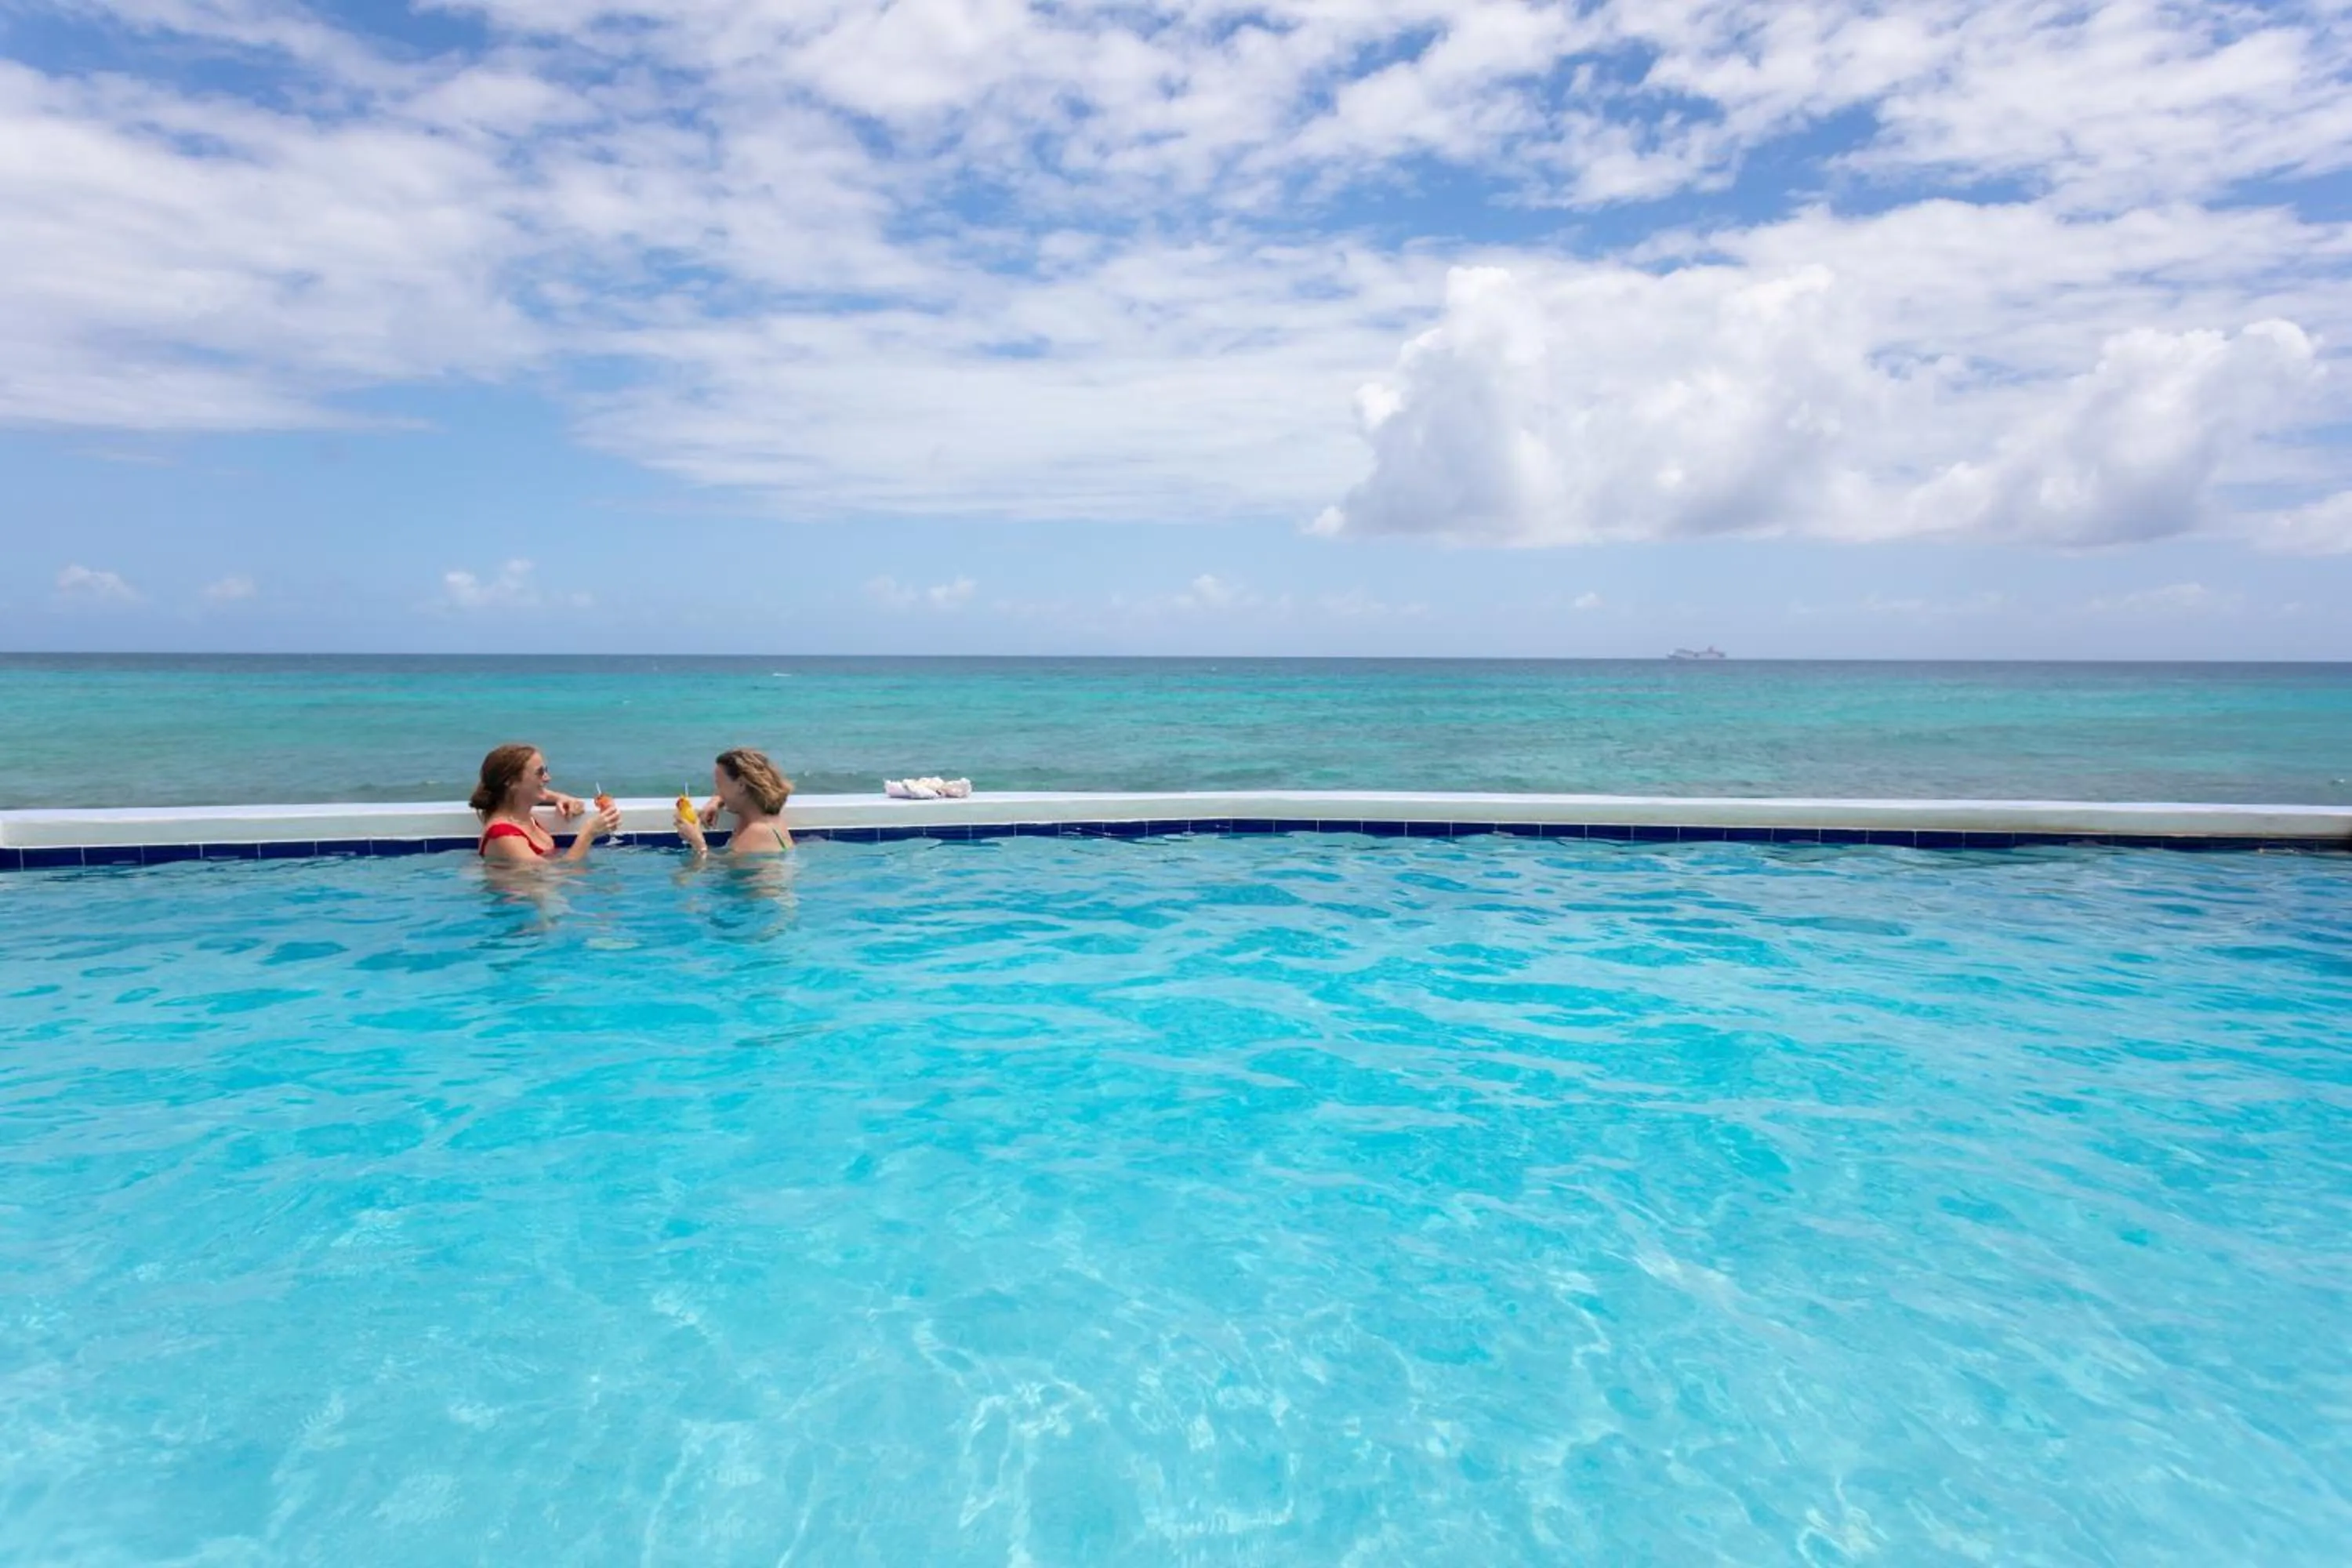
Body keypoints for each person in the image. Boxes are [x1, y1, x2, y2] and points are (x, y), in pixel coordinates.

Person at [470, 742, 619, 865]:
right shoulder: (504, 836)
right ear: (511, 782)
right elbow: (557, 875)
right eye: (540, 773)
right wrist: (589, 833)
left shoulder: (519, 814)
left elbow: (545, 794)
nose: (548, 778)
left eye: (546, 770)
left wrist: (561, 798)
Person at [677, 746, 793, 859]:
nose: (718, 790)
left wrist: (696, 842)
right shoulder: (758, 814)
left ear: (741, 786)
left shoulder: (758, 832)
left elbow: (716, 867)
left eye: (719, 784)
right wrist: (715, 802)